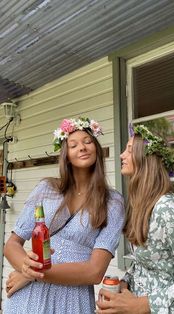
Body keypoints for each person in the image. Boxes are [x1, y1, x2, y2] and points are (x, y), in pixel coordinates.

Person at [3, 116, 125, 314]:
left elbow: (95, 272)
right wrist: (26, 268)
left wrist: (33, 274)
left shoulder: (113, 202)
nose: (82, 147)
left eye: (87, 142)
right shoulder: (46, 189)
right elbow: (12, 244)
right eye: (73, 145)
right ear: (66, 155)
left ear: (97, 149)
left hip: (71, 299)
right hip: (27, 298)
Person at [97, 124, 174, 313]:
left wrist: (142, 304)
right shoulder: (141, 204)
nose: (121, 156)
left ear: (145, 158)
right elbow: (150, 261)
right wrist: (125, 283)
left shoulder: (167, 208)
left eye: (128, 150)